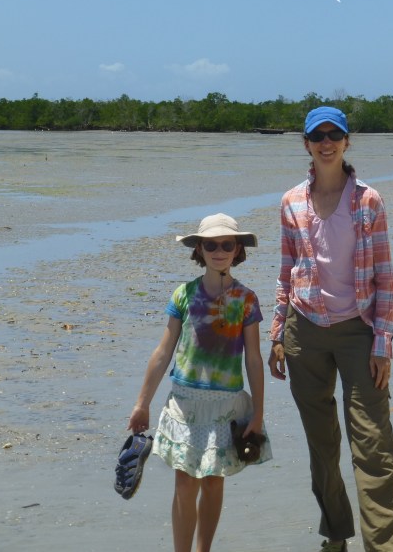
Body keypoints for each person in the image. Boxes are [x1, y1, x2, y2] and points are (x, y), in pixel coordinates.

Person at [268, 107, 393, 552]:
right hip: (303, 330)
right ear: (306, 143)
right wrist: (277, 331)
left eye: (335, 134)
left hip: (358, 330)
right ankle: (335, 535)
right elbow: (287, 269)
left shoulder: (368, 200)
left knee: (373, 443)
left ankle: (388, 546)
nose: (326, 142)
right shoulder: (291, 201)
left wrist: (382, 341)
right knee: (322, 444)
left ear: (347, 142)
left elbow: (385, 276)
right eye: (318, 135)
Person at [127, 213, 271, 552]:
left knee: (213, 483)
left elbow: (253, 358)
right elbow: (163, 353)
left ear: (237, 250)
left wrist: (258, 413)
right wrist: (142, 403)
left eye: (226, 245)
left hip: (225, 404)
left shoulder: (246, 299)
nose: (219, 251)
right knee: (184, 484)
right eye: (211, 245)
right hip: (184, 403)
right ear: (199, 249)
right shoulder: (184, 294)